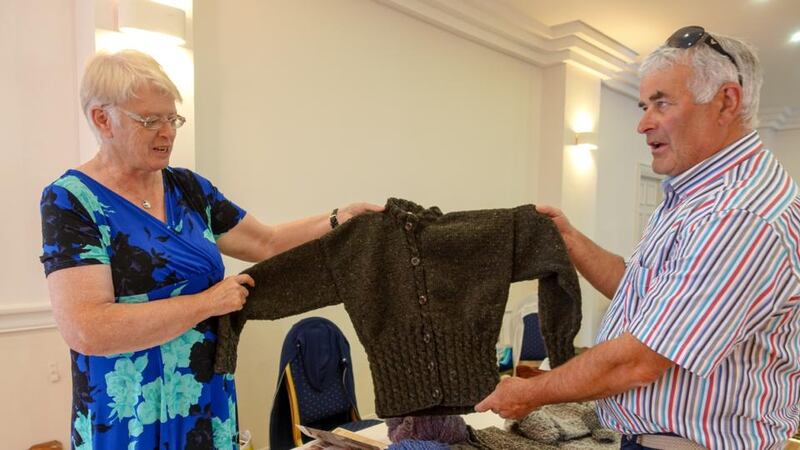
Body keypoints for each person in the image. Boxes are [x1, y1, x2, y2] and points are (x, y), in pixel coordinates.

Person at [476, 26, 800, 450]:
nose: (643, 124)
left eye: (662, 103)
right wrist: (571, 240)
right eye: (644, 105)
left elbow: (639, 361)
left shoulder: (738, 215)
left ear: (726, 101)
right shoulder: (696, 198)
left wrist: (528, 392)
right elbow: (643, 294)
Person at [39, 49, 382, 449]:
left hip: (204, 396)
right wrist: (206, 304)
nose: (167, 132)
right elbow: (87, 329)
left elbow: (265, 241)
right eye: (151, 121)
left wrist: (341, 218)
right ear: (102, 119)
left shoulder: (189, 189)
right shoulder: (70, 200)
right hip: (128, 409)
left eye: (172, 119)